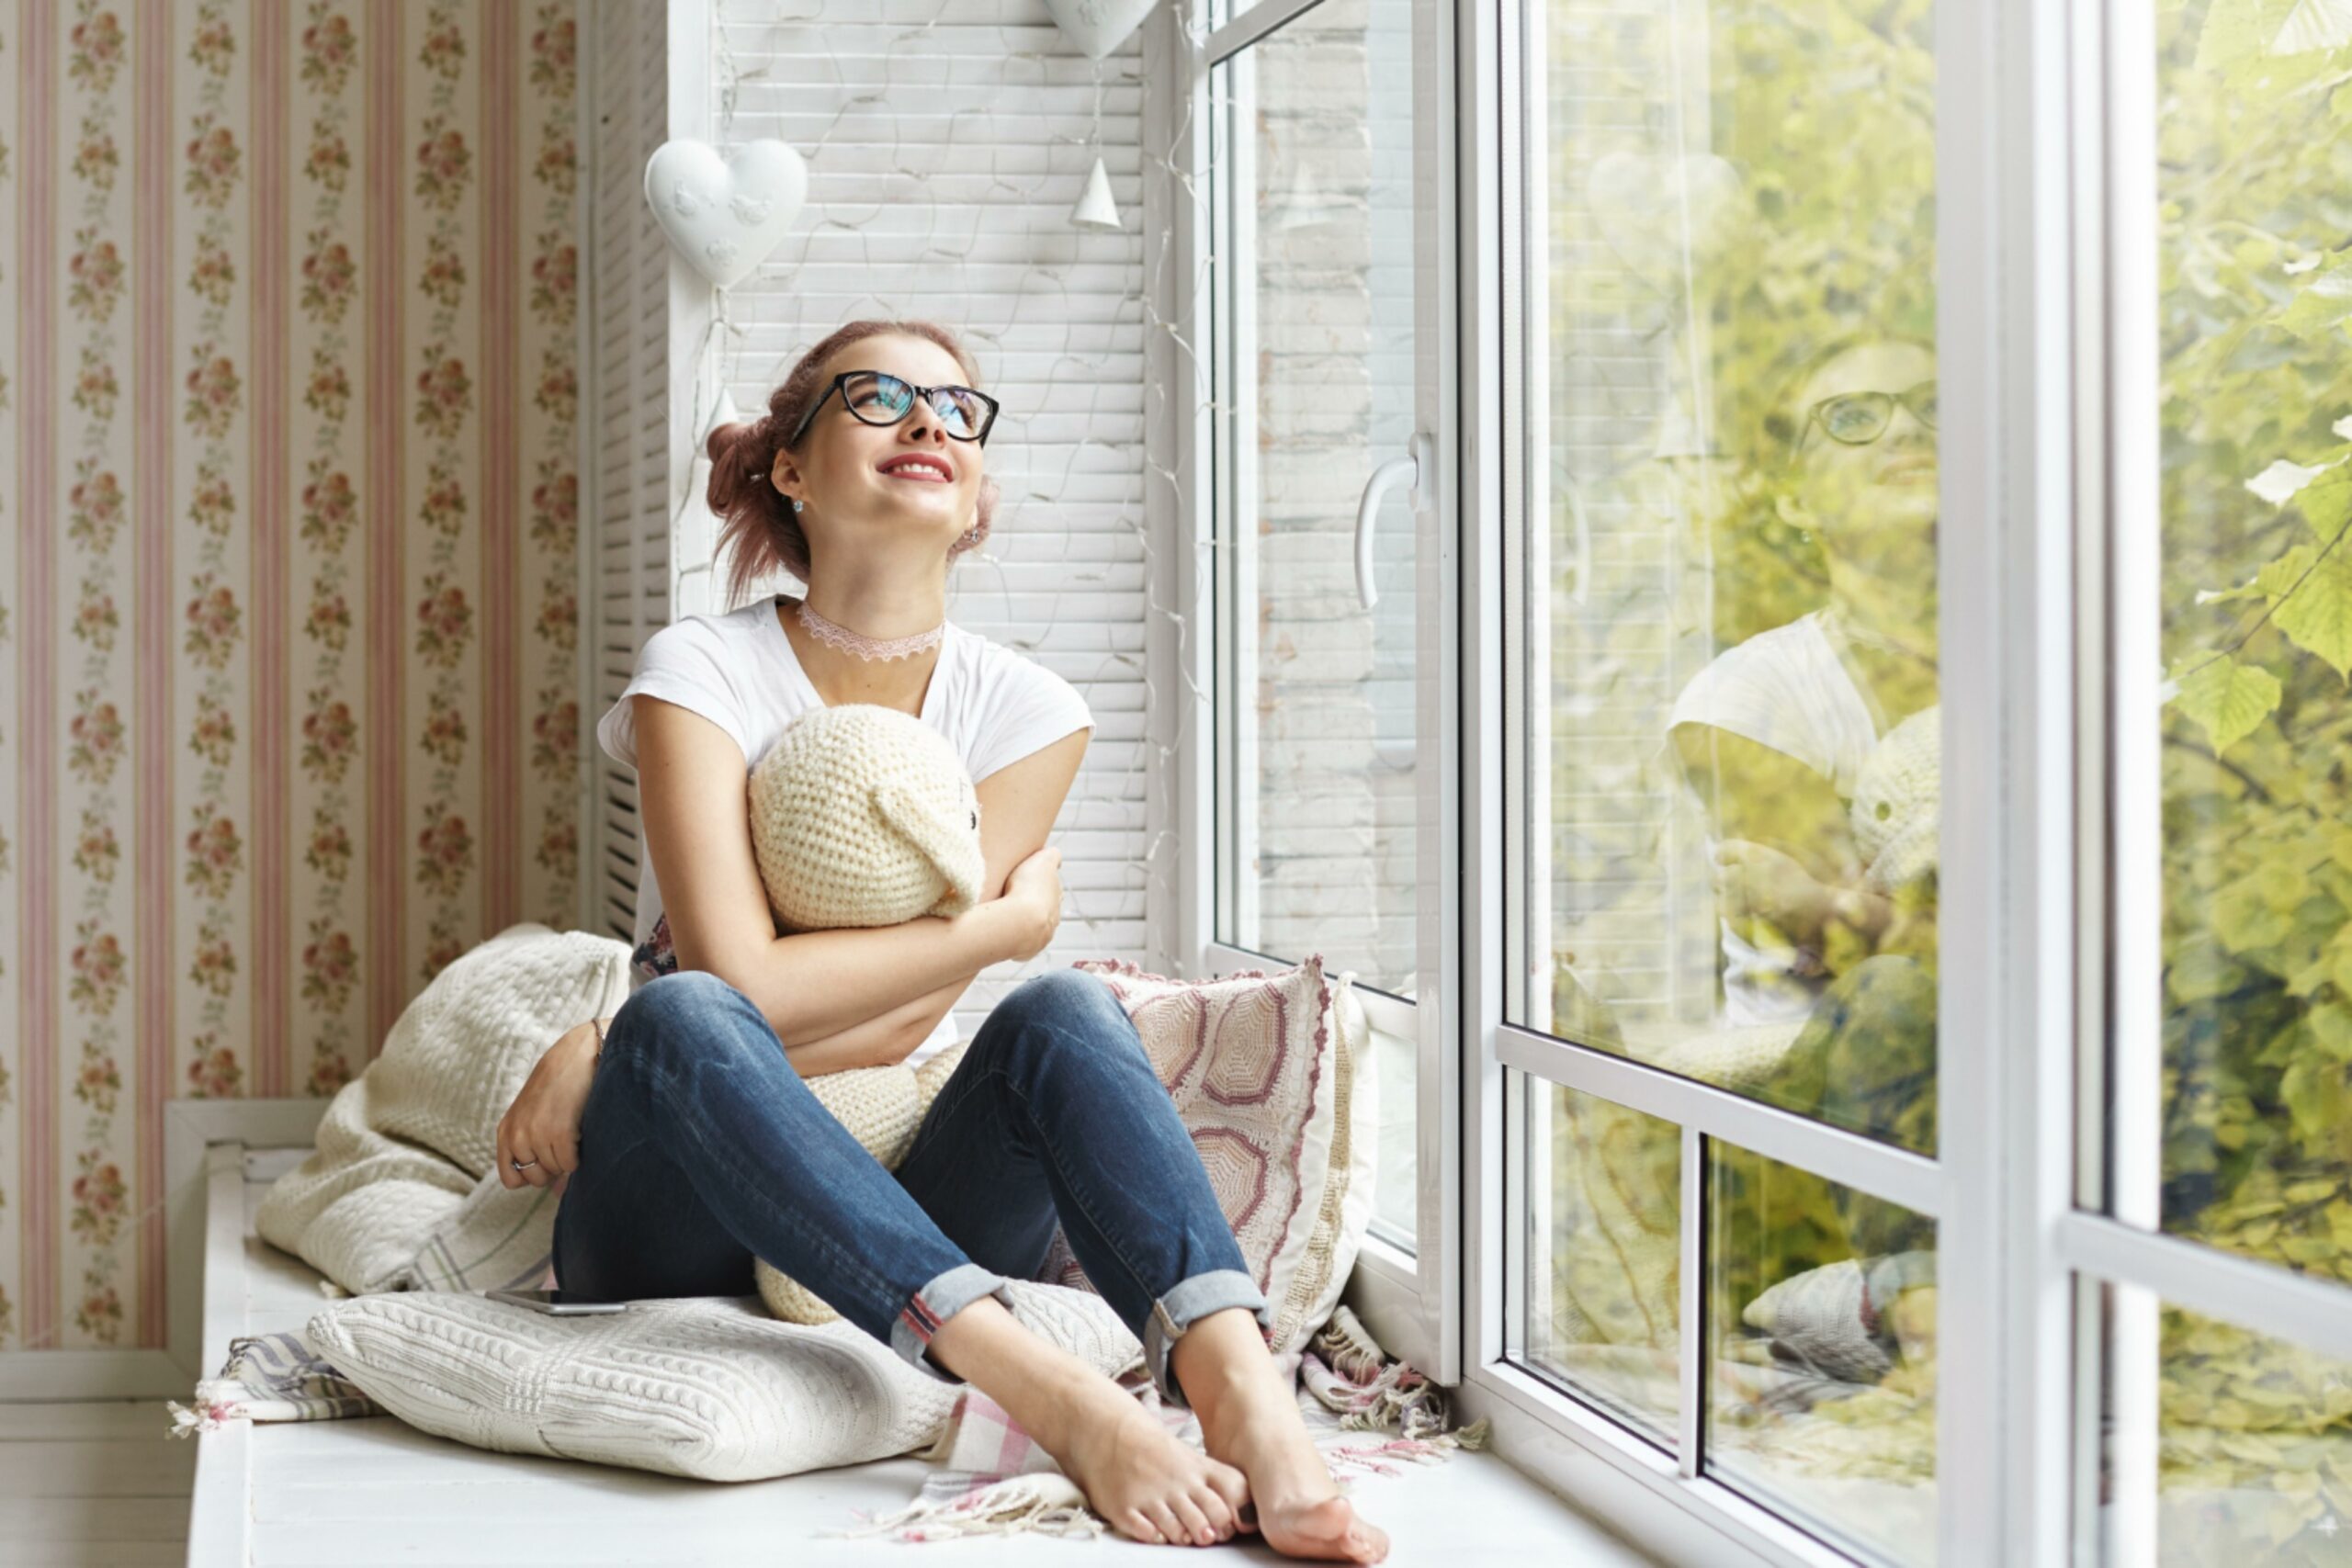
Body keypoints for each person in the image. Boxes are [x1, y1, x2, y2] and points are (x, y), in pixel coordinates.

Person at [493, 319, 1388, 1561]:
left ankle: (1241, 1389)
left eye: (959, 409)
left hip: (907, 1167)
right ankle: (1048, 1390)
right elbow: (737, 979)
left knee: (1062, 1012)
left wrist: (1000, 954)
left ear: (973, 494)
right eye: (879, 396)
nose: (929, 423)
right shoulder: (698, 668)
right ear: (792, 469)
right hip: (675, 1204)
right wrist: (997, 922)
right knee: (686, 1015)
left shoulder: (1026, 710)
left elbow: (906, 1019)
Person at [1667, 334, 1940, 1159]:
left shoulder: (2065, 665)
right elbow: (1868, 952)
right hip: (1816, 1107)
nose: (1905, 432)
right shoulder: (1747, 698)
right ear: (1795, 499)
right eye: (1852, 416)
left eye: (1934, 406)